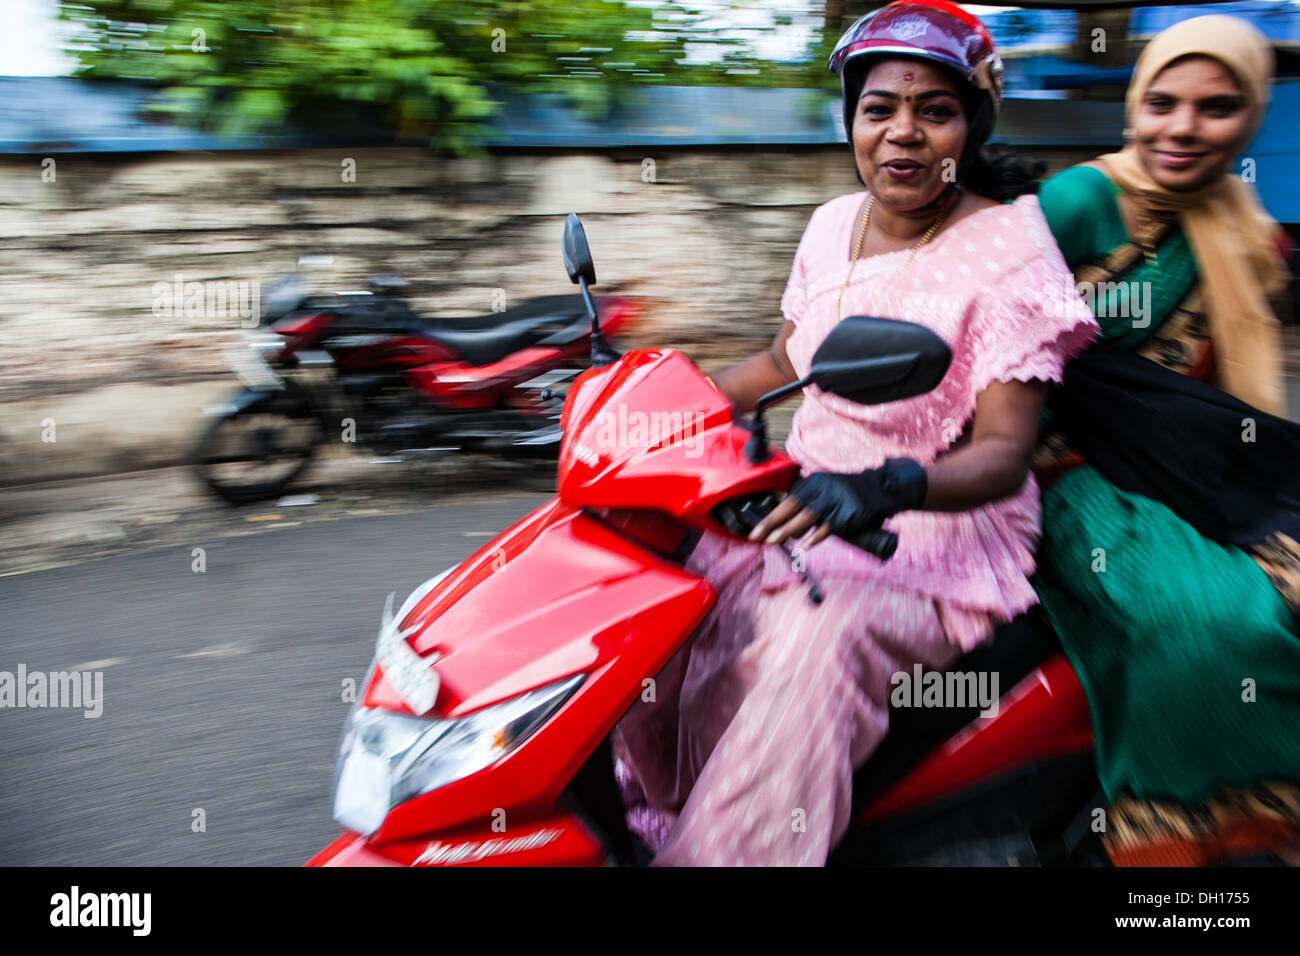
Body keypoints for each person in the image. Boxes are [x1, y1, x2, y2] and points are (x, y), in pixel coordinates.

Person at [611, 0, 1097, 866]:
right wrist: (643, 410)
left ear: (969, 126)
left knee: (810, 640)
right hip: (802, 494)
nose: (903, 134)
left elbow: (1000, 454)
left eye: (934, 112)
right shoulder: (834, 224)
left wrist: (884, 487)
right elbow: (776, 363)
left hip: (929, 530)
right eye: (880, 109)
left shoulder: (1013, 252)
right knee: (653, 598)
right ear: (852, 122)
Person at [1030, 14, 1300, 865]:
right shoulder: (1079, 202)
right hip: (1065, 470)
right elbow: (988, 343)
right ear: (1133, 105)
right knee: (1218, 625)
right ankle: (1182, 850)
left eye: (1216, 108)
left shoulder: (1244, 228)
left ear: (1251, 118)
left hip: (1190, 466)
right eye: (1162, 102)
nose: (1183, 128)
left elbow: (1222, 396)